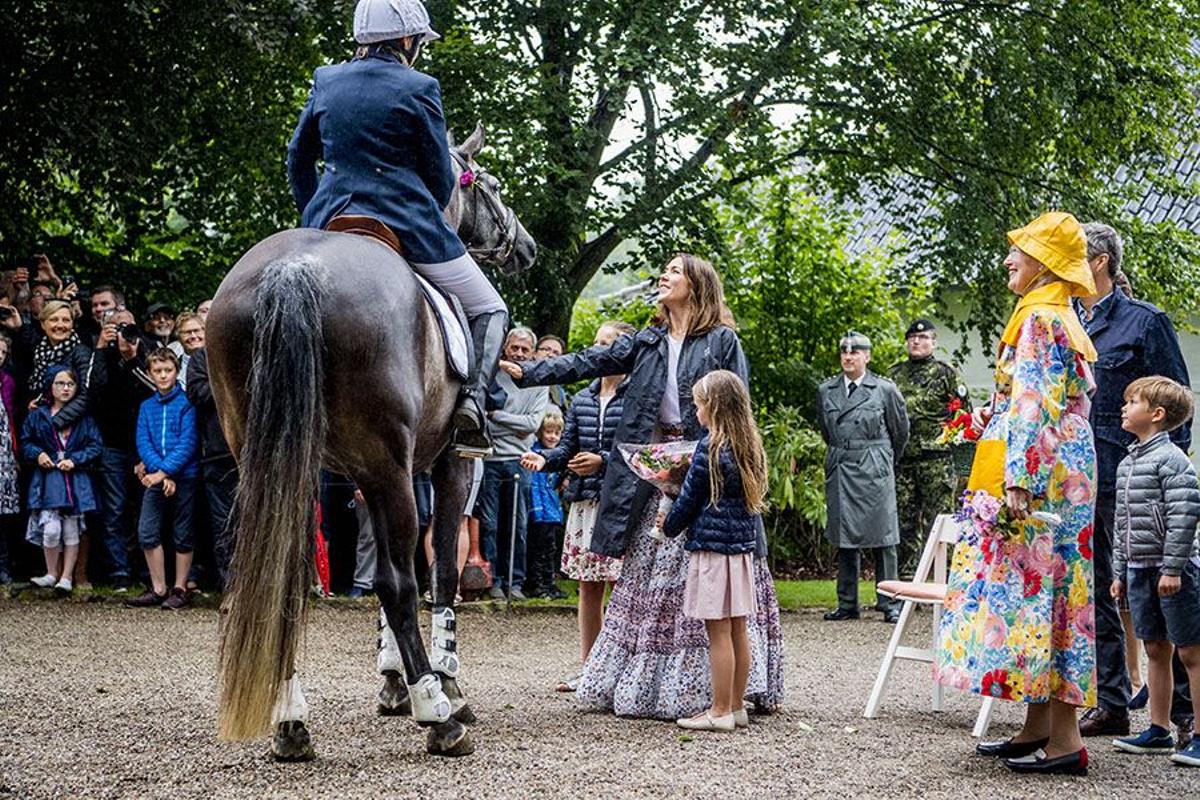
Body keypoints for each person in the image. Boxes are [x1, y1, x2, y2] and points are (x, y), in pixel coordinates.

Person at [501, 253, 785, 719]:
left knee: (714, 584)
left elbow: (739, 409)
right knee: (652, 578)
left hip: (709, 471)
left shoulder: (722, 341)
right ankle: (655, 686)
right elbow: (590, 361)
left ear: (696, 284)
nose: (664, 277)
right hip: (657, 471)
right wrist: (531, 371)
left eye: (674, 271)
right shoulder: (647, 341)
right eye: (664, 271)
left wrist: (713, 460)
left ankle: (726, 698)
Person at [287, 0, 508, 456]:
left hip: (329, 219)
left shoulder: (325, 80)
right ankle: (472, 405)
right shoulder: (420, 86)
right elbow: (441, 177)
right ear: (407, 40)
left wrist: (314, 216)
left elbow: (298, 158)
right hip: (405, 223)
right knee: (491, 307)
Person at [936, 211, 1098, 776]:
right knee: (1050, 596)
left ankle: (1066, 741)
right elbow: (1039, 401)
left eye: (1020, 252)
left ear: (1046, 263)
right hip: (1065, 471)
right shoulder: (1057, 314)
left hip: (1044, 476)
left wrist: (1018, 481)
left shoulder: (1039, 318)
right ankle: (1038, 727)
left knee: (1044, 596)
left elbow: (1034, 405)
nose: (1009, 259)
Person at [1073, 221, 1194, 743]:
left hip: (1140, 480)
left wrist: (1166, 471)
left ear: (1099, 261)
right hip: (1086, 475)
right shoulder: (1068, 321)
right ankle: (1113, 703)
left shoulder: (1145, 322)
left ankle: (1186, 717)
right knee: (1103, 590)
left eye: (1074, 254)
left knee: (1167, 595)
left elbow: (1178, 401)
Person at [521, 320, 631, 692]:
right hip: (584, 501)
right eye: (596, 343)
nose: (598, 349)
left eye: (607, 343)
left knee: (622, 586)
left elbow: (638, 450)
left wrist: (602, 459)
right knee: (588, 587)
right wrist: (546, 460)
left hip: (619, 505)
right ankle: (590, 669)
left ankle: (622, 669)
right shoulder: (582, 398)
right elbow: (567, 448)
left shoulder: (636, 396)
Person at [662, 370, 768, 733]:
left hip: (712, 551)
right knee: (739, 629)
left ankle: (719, 710)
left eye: (699, 405)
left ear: (715, 407)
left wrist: (667, 524)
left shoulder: (708, 448)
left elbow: (689, 502)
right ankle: (737, 706)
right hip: (740, 551)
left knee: (718, 633)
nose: (696, 412)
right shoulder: (748, 445)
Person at [1109, 376, 1200, 765]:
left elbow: (1185, 515)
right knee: (1154, 649)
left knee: (1192, 653)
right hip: (1138, 569)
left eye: (1132, 402)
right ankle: (1158, 730)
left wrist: (1174, 568)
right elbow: (1120, 524)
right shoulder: (1129, 462)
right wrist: (1117, 572)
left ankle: (1198, 734)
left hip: (1172, 572)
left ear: (1157, 415)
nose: (1124, 408)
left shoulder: (1173, 460)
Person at [817, 331, 910, 623]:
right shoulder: (826, 390)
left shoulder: (884, 389)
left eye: (855, 352)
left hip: (875, 466)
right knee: (844, 536)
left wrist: (882, 459)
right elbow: (826, 429)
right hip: (842, 464)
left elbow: (900, 431)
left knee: (884, 537)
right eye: (844, 351)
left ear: (867, 357)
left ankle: (889, 603)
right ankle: (847, 604)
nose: (848, 356)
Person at [887, 319, 969, 576]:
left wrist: (950, 443)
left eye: (923, 338)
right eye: (912, 337)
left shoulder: (946, 373)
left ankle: (945, 580)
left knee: (942, 521)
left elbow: (963, 414)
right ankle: (909, 582)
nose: (916, 341)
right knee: (905, 522)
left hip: (937, 461)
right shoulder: (894, 375)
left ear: (933, 342)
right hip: (903, 460)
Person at [477, 327, 548, 599]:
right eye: (514, 348)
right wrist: (509, 422)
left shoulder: (539, 383)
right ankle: (492, 580)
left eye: (524, 350)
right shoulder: (492, 377)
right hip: (491, 458)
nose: (518, 354)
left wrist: (495, 415)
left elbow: (532, 425)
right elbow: (482, 422)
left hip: (521, 460)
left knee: (517, 525)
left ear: (531, 353)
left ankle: (514, 582)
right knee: (491, 523)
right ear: (505, 348)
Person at [126, 349, 199, 610]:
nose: (163, 375)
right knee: (147, 530)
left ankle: (180, 587)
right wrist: (160, 475)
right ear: (149, 374)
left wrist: (166, 472)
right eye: (157, 371)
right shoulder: (147, 407)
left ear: (176, 371)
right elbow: (143, 443)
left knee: (183, 532)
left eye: (168, 370)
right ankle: (158, 587)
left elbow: (188, 443)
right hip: (157, 479)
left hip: (185, 477)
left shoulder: (187, 403)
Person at [23, 365, 103, 594]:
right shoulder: (38, 415)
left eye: (70, 384)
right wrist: (38, 454)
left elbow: (95, 445)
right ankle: (51, 572)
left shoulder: (83, 417)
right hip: (49, 478)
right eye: (60, 383)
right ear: (50, 385)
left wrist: (76, 459)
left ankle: (67, 577)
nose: (65, 388)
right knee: (50, 528)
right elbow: (27, 441)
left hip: (75, 478)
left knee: (71, 529)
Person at [91, 308, 153, 591]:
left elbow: (156, 388)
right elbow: (95, 389)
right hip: (112, 445)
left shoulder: (147, 349)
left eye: (129, 325)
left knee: (145, 510)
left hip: (144, 448)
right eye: (118, 326)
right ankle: (119, 571)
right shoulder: (102, 353)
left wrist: (132, 359)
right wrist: (103, 348)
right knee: (114, 511)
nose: (125, 331)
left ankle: (145, 570)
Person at [186, 347, 238, 590]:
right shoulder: (201, 358)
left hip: (255, 455)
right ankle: (232, 587)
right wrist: (233, 382)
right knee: (224, 525)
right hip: (217, 454)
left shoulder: (253, 350)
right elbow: (197, 393)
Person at [523, 410, 567, 599]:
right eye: (549, 432)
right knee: (537, 549)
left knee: (551, 549)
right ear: (541, 432)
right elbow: (535, 486)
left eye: (556, 433)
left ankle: (549, 584)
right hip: (539, 511)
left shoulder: (556, 457)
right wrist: (537, 509)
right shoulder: (535, 453)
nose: (552, 437)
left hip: (552, 510)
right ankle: (536, 584)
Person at [0, 333, 19, 585]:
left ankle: (3, 566)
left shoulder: (7, 381)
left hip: (3, 454)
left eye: (3, 352)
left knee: (2, 516)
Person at [168, 312, 205, 390]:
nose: (193, 336)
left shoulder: (218, 362)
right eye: (187, 333)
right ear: (178, 336)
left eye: (197, 331)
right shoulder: (172, 367)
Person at [535, 335, 570, 410]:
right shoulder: (521, 377)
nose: (550, 355)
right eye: (546, 349)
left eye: (556, 353)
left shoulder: (559, 391)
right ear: (534, 353)